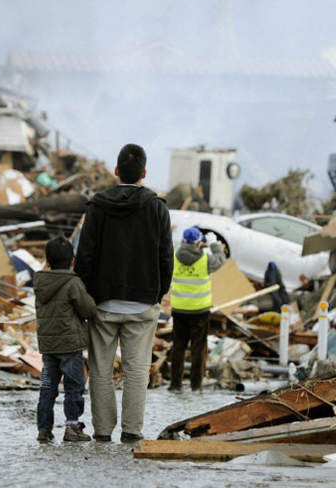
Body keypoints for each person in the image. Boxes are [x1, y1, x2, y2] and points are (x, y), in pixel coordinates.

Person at [74, 143, 173, 443]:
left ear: (116, 171)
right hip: (142, 304)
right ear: (144, 173)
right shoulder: (157, 207)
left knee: (101, 371)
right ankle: (132, 431)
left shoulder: (97, 207)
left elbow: (85, 256)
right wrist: (158, 292)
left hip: (103, 303)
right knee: (137, 371)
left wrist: (86, 296)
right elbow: (165, 256)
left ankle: (102, 431)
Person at [34, 236, 97, 443]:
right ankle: (71, 427)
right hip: (70, 347)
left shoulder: (40, 282)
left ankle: (43, 429)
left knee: (47, 387)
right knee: (74, 387)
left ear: (48, 261)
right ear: (72, 260)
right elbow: (88, 309)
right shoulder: (73, 282)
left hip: (48, 347)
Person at [168, 227, 226, 392]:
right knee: (198, 350)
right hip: (199, 312)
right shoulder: (206, 260)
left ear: (183, 241)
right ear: (198, 243)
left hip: (179, 310)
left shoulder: (174, 258)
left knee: (178, 348)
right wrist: (214, 245)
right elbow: (221, 259)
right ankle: (196, 386)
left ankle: (175, 385)